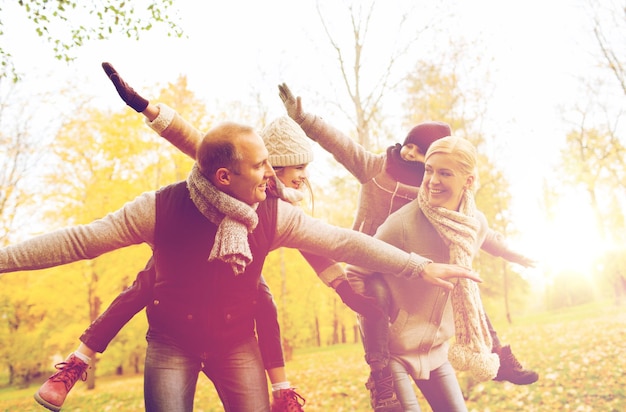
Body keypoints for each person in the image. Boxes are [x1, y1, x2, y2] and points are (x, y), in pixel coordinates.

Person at [0, 74, 481, 412]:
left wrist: (417, 267)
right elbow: (80, 241)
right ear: (225, 177)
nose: (272, 176)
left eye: (274, 166)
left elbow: (342, 242)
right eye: (262, 167)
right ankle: (80, 359)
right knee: (140, 286)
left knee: (262, 305)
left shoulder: (272, 213)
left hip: (235, 343)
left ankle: (280, 387)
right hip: (172, 342)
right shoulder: (162, 207)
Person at [33, 66, 375, 411]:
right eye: (296, 167)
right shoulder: (238, 173)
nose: (303, 176)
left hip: (235, 282)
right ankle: (80, 358)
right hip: (179, 276)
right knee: (147, 282)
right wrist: (146, 107)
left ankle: (282, 389)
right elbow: (191, 138)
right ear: (272, 166)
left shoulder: (279, 207)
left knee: (262, 298)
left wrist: (346, 290)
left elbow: (318, 246)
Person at [277, 84, 538, 410]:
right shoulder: (377, 169)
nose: (409, 154)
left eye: (420, 153)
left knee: (465, 284)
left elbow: (476, 230)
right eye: (409, 146)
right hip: (372, 260)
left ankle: (496, 353)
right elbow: (340, 144)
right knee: (377, 298)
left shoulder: (431, 191)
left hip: (416, 274)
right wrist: (304, 119)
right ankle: (381, 374)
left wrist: (511, 252)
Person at [347, 135, 512, 410]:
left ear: (468, 181)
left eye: (444, 173)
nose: (432, 180)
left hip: (436, 350)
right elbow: (355, 272)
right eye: (429, 170)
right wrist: (383, 325)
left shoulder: (475, 225)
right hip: (395, 352)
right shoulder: (400, 224)